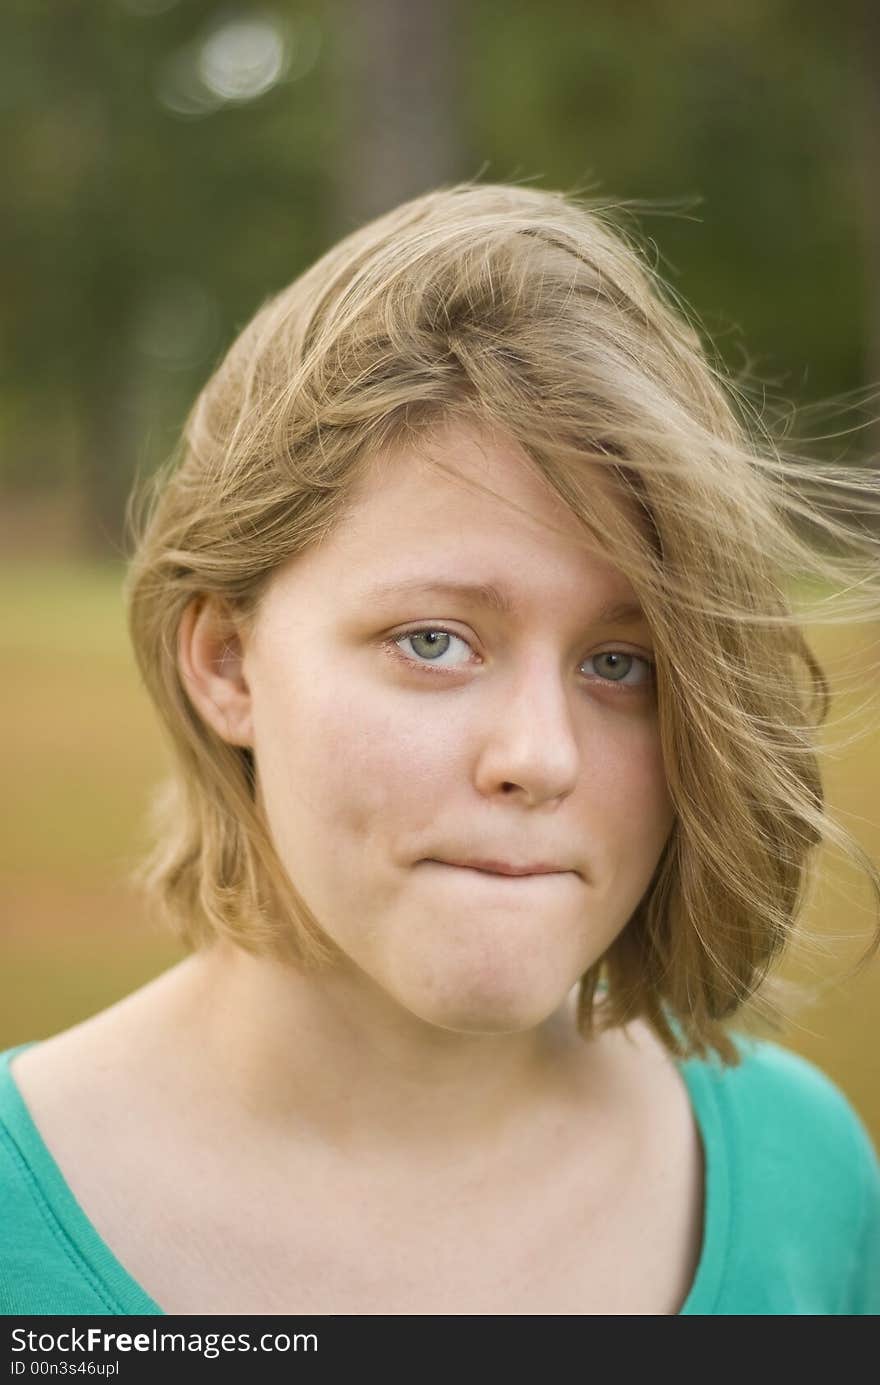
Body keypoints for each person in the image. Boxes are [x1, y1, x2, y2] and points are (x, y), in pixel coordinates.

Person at [2, 181, 879, 1317]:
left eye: (622, 663)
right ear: (225, 662)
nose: (540, 756)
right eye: (434, 640)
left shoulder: (804, 1177)